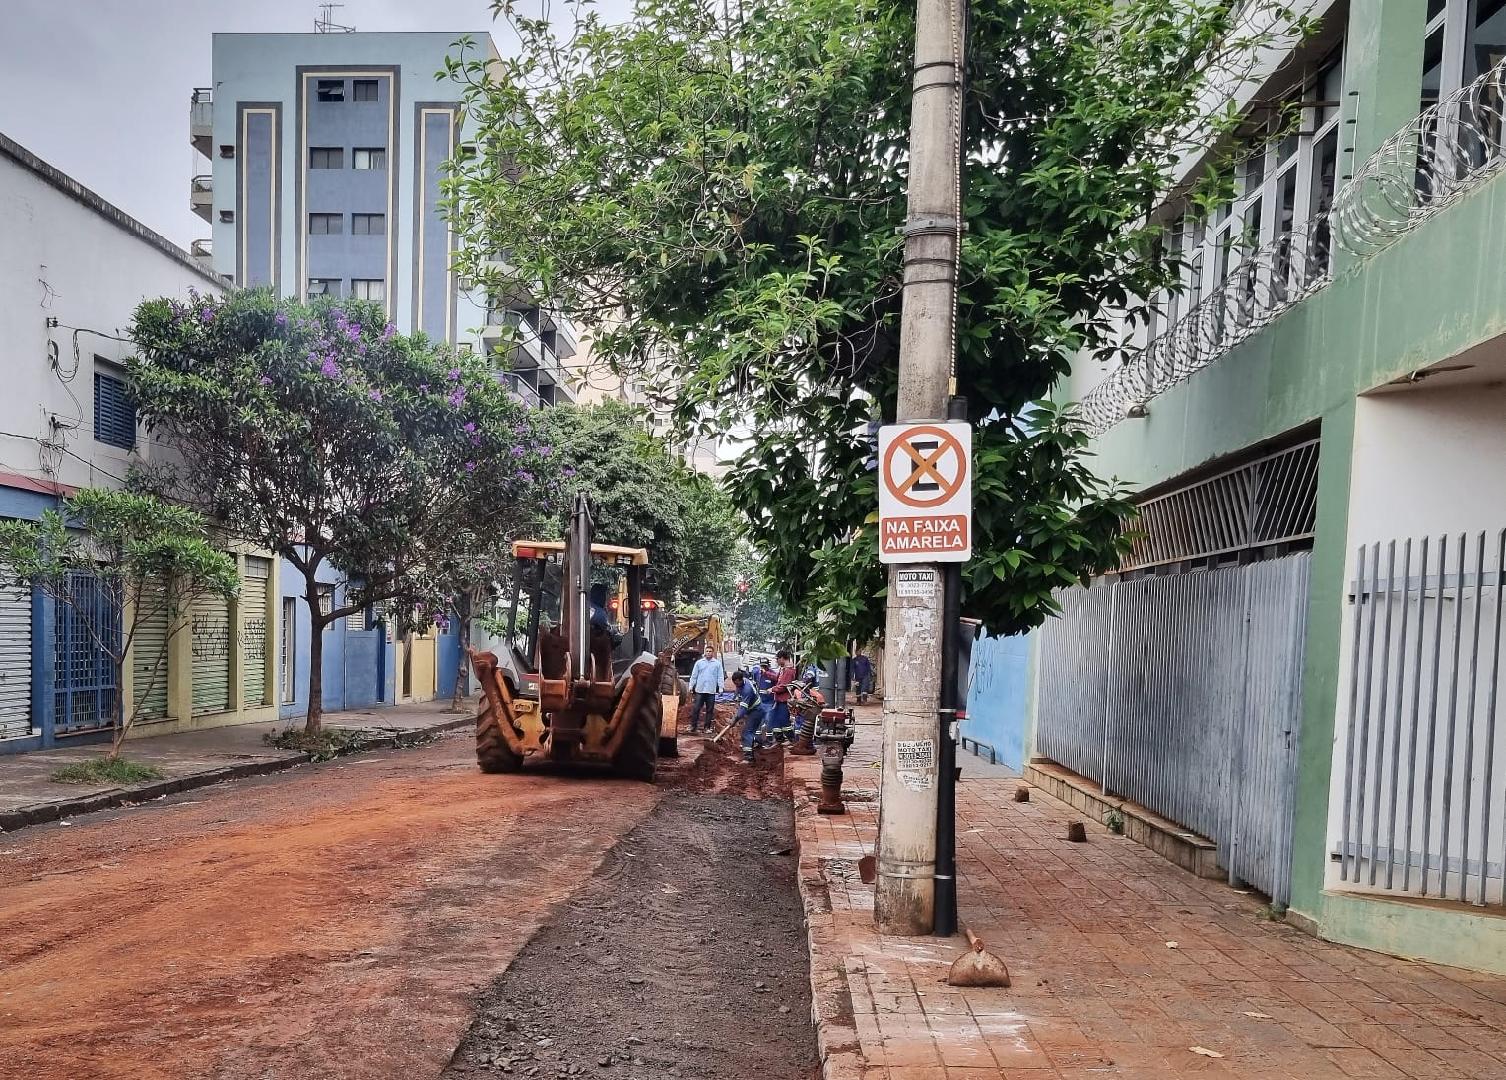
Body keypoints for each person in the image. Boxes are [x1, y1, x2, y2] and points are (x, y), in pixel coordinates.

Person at [731, 669, 769, 764]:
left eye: (737, 683)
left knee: (746, 732)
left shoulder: (747, 689)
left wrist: (735, 719)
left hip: (756, 711)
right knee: (751, 731)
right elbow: (738, 694)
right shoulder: (744, 681)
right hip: (754, 709)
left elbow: (743, 709)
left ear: (740, 680)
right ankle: (758, 742)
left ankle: (749, 758)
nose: (736, 685)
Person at [687, 644, 726, 734]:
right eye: (707, 651)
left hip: (711, 691)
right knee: (696, 708)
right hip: (700, 690)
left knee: (709, 710)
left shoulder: (717, 664)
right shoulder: (699, 663)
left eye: (710, 651)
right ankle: (693, 726)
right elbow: (694, 675)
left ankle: (707, 727)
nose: (708, 653)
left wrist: (720, 688)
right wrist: (691, 686)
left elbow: (720, 676)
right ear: (705, 652)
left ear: (713, 653)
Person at [767, 649, 798, 742]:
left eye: (777, 659)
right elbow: (777, 678)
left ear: (782, 658)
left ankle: (793, 741)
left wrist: (772, 689)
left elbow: (783, 686)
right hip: (779, 700)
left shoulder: (789, 671)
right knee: (774, 720)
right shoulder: (783, 669)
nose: (776, 661)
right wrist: (766, 672)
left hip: (784, 701)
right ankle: (779, 740)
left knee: (784, 722)